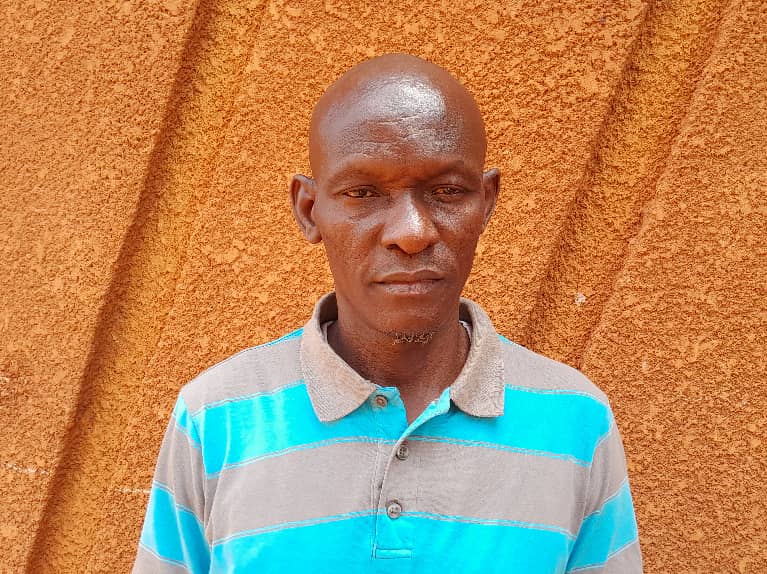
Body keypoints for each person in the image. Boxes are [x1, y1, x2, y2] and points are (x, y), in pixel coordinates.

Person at [133, 53, 642, 573]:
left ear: (486, 203)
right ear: (309, 210)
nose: (412, 233)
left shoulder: (577, 421)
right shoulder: (217, 418)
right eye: (363, 193)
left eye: (447, 192)